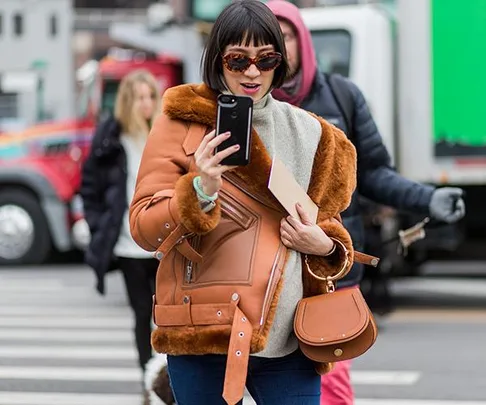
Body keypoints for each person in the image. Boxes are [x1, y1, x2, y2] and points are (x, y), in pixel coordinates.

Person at [129, 1, 360, 404]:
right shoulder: (182, 120)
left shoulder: (314, 136)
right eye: (238, 60)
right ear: (218, 60)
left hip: (289, 340)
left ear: (280, 60)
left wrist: (321, 244)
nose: (252, 72)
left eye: (265, 58)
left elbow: (333, 230)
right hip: (204, 332)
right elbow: (144, 228)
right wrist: (200, 188)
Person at [266, 1, 466, 404]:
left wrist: (428, 198)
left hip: (331, 265)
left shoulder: (342, 96)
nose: (279, 46)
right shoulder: (246, 107)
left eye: (286, 35)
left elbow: (372, 173)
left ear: (302, 40)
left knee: (334, 387)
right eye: (269, 37)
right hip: (264, 269)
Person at [80, 70, 161, 401]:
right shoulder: (110, 138)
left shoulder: (165, 133)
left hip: (163, 244)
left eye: (150, 96)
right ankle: (147, 377)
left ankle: (166, 374)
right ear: (127, 101)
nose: (145, 103)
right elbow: (89, 187)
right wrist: (100, 225)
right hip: (129, 245)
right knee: (142, 313)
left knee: (167, 315)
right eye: (139, 97)